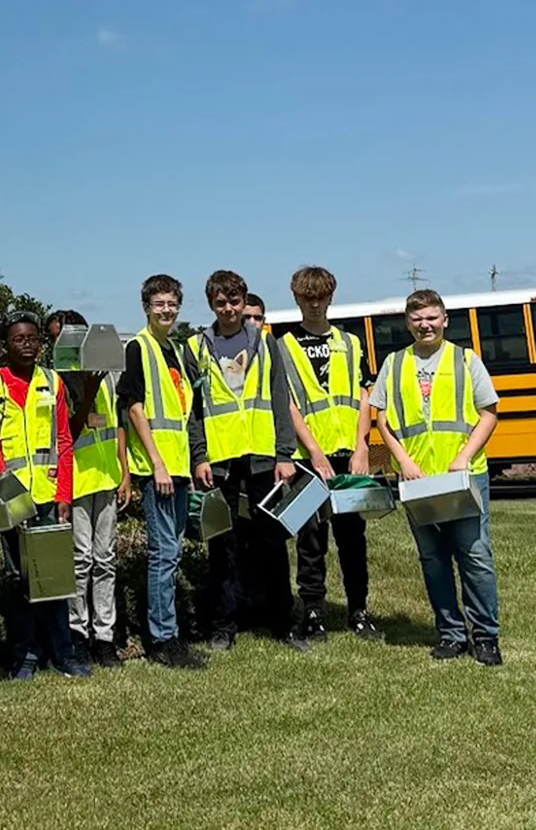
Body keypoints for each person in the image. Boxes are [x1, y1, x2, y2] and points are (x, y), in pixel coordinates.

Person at [370, 289, 502, 666]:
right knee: (433, 559)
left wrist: (463, 456)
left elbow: (489, 413)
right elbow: (382, 419)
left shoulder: (465, 359)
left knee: (475, 556)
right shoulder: (394, 364)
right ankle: (451, 634)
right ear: (407, 323)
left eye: (431, 317)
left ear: (444, 319)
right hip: (418, 479)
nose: (424, 325)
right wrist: (402, 461)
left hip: (464, 476)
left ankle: (485, 636)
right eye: (417, 319)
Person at [188, 270, 303, 652]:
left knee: (273, 543)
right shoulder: (196, 347)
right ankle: (224, 626)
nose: (229, 309)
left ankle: (283, 623)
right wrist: (199, 456)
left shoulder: (267, 344)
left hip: (263, 458)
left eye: (235, 301)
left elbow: (281, 399)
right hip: (220, 462)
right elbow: (194, 410)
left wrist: (285, 455)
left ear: (244, 300)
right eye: (221, 303)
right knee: (224, 546)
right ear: (211, 305)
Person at [279, 267, 380, 643]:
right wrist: (315, 454)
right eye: (308, 297)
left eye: (321, 296)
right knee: (311, 540)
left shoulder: (351, 343)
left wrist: (362, 448)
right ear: (297, 299)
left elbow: (364, 396)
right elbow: (288, 404)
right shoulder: (283, 345)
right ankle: (314, 613)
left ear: (331, 297)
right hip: (308, 458)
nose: (315, 304)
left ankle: (358, 611)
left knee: (353, 538)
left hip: (348, 457)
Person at [0, 313, 90, 680]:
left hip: (49, 495)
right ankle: (25, 654)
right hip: (12, 500)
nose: (28, 344)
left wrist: (65, 493)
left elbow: (64, 441)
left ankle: (62, 653)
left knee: (54, 578)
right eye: (19, 339)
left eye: (33, 338)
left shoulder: (53, 382)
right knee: (19, 580)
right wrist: (5, 490)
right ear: (6, 345)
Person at [118, 275, 207, 669]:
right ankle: (161, 638)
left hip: (179, 465)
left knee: (172, 554)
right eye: (159, 305)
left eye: (172, 304)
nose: (167, 310)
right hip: (159, 470)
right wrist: (157, 465)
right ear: (146, 308)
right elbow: (134, 408)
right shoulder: (139, 347)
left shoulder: (175, 349)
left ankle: (169, 632)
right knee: (164, 553)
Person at [55, 311, 128, 668]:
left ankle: (105, 637)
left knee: (106, 560)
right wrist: (88, 392)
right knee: (80, 560)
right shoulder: (60, 383)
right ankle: (77, 633)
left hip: (107, 478)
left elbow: (117, 426)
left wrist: (124, 472)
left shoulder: (108, 377)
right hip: (77, 482)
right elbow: (71, 429)